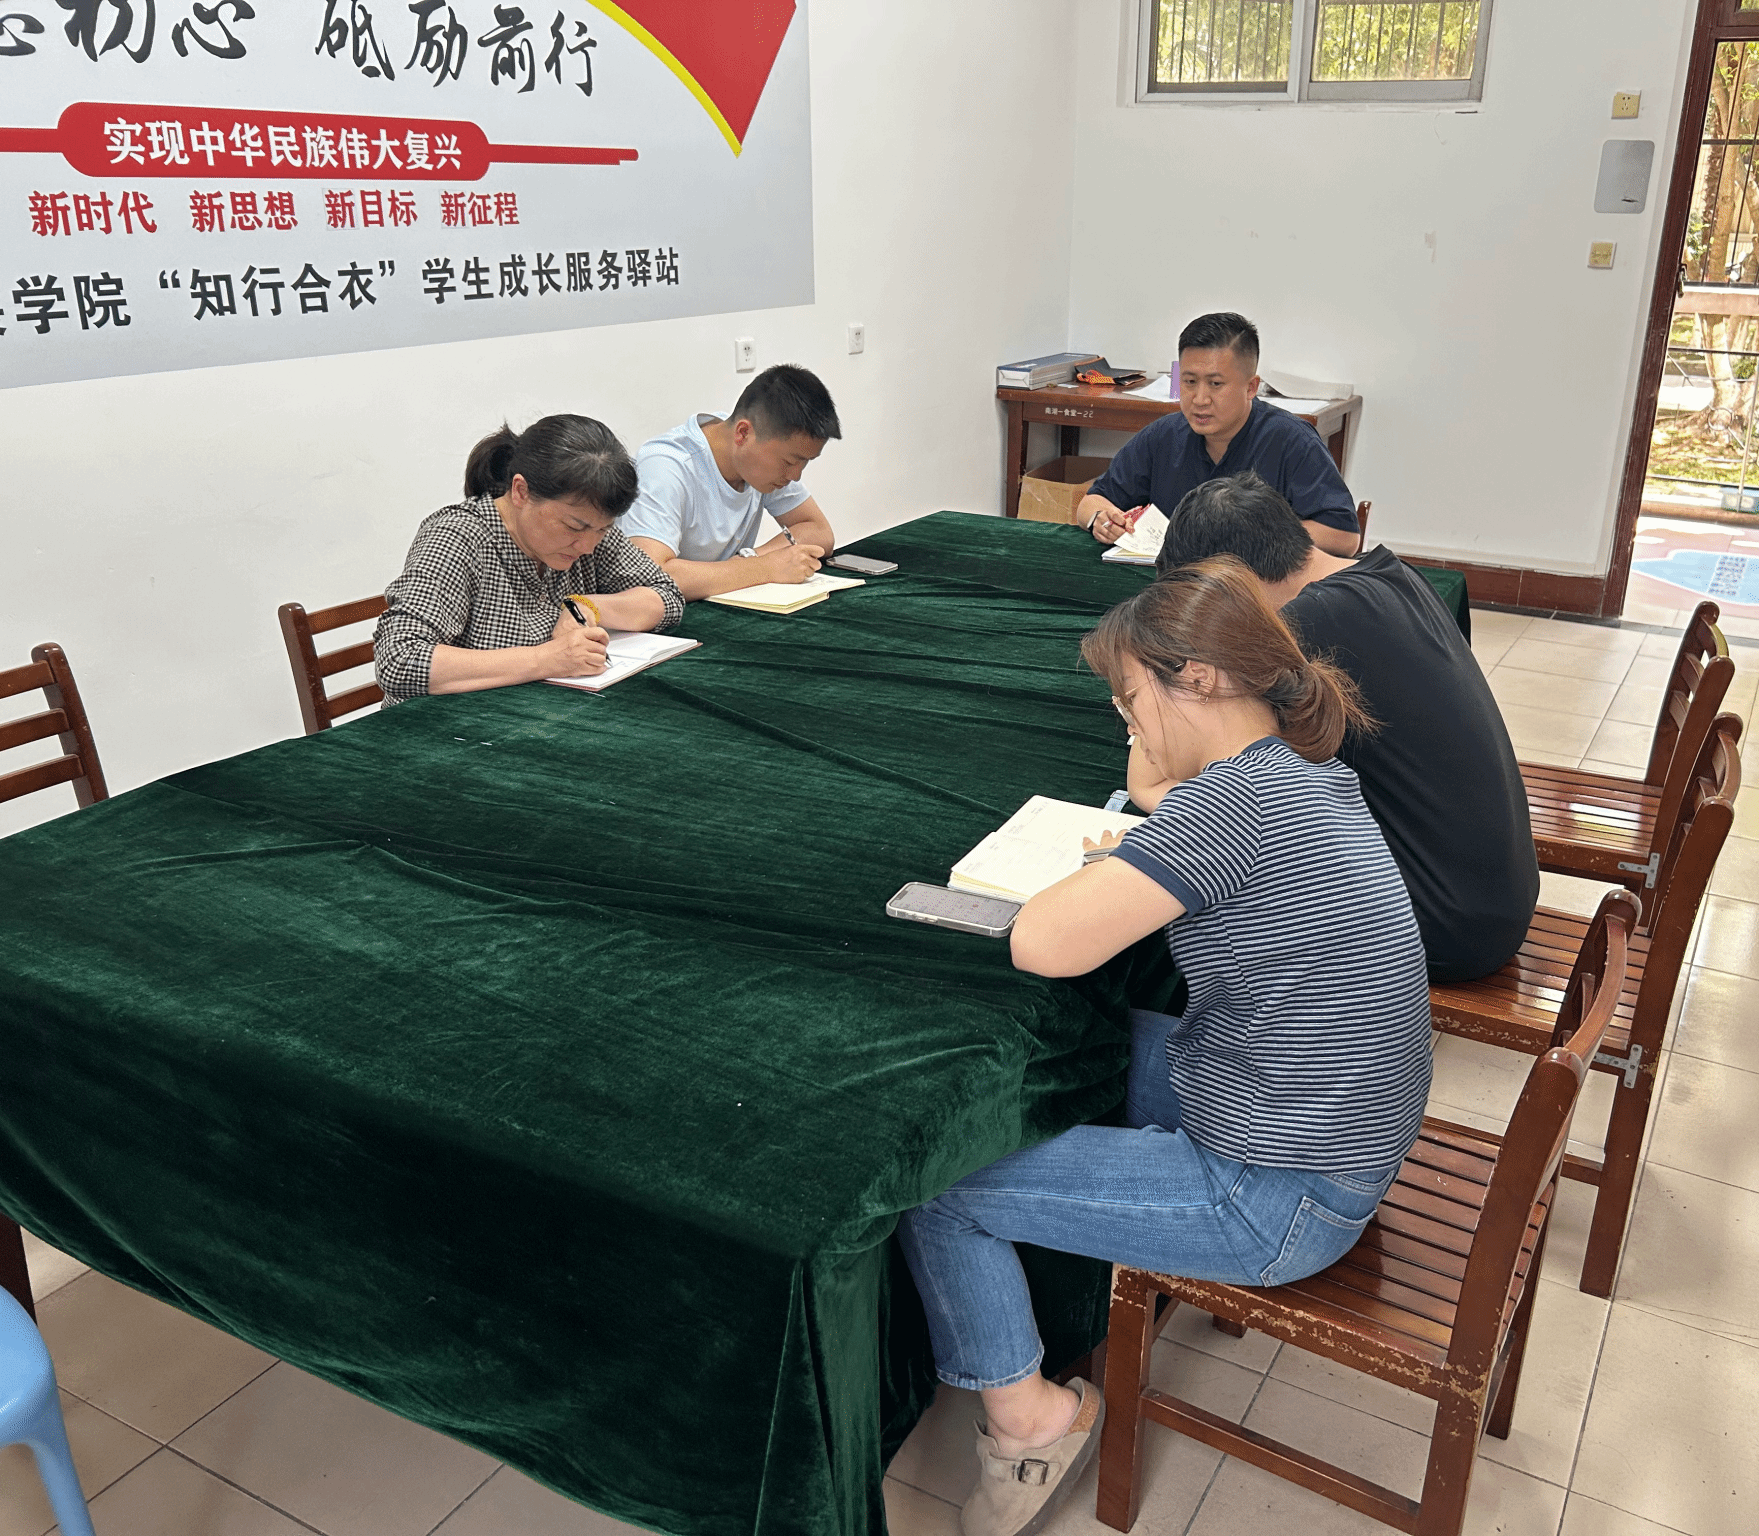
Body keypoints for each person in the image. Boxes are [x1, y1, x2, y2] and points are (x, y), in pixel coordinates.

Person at [895, 558, 1431, 1536]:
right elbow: (1165, 794)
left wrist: (1132, 831)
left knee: (938, 1180)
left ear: (1201, 678)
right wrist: (1158, 780)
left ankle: (1030, 1422)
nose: (1126, 724)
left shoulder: (1226, 810)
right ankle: (1068, 1257)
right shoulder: (1298, 768)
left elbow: (1042, 942)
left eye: (1130, 699)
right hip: (1331, 1121)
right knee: (1097, 1038)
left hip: (1283, 1194)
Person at [1158, 473, 1538, 981]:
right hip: (1496, 894)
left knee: (1210, 894)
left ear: (1234, 582)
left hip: (1441, 923)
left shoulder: (1304, 625)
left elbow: (1188, 757)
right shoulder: (1390, 574)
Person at [373, 415, 688, 701]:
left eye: (603, 529)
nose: (588, 547)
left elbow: (667, 596)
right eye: (573, 527)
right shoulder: (457, 537)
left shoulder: (589, 530)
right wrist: (548, 659)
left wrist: (587, 605)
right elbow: (400, 660)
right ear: (520, 491)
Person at [1074, 312, 1359, 556]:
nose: (1200, 399)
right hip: (1172, 585)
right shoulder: (1164, 436)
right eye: (1189, 381)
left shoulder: (1291, 441)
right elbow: (1092, 502)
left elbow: (1344, 537)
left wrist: (1251, 537)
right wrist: (1101, 520)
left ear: (1251, 387)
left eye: (1215, 384)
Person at [621, 364, 841, 599]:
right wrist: (764, 568)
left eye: (805, 462)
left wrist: (752, 558)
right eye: (790, 462)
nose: (796, 475)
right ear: (743, 433)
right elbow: (649, 576)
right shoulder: (666, 466)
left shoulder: (759, 456)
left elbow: (819, 532)